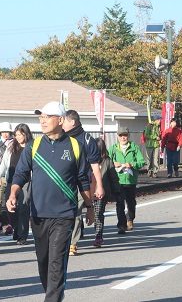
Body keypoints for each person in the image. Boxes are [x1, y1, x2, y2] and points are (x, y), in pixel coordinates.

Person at [7, 101, 93, 302]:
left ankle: (52, 299)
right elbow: (20, 174)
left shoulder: (75, 146)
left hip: (64, 215)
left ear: (60, 120)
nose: (42, 121)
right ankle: (52, 294)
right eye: (41, 117)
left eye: (47, 117)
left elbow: (82, 179)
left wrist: (89, 207)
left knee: (56, 262)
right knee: (44, 261)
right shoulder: (33, 146)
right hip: (38, 215)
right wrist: (12, 194)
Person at [63, 109, 105, 256]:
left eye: (64, 121)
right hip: (63, 182)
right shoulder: (61, 138)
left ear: (73, 122)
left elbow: (95, 166)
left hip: (81, 183)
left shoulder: (87, 140)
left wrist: (99, 186)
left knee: (76, 212)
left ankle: (72, 244)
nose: (61, 123)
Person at [0, 123, 33, 245]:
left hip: (26, 181)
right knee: (9, 207)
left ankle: (22, 235)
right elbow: (4, 163)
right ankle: (16, 228)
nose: (18, 137)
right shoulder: (11, 146)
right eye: (16, 134)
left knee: (23, 207)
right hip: (11, 180)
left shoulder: (31, 147)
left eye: (20, 134)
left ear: (25, 134)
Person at [109, 126, 146, 234]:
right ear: (117, 136)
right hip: (118, 180)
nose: (123, 138)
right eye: (120, 135)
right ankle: (121, 224)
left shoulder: (134, 148)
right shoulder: (113, 149)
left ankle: (130, 219)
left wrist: (132, 164)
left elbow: (141, 161)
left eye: (125, 135)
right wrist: (113, 164)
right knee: (119, 203)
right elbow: (105, 160)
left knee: (131, 202)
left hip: (130, 180)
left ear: (128, 136)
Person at [92, 137, 120, 247]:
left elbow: (114, 178)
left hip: (101, 193)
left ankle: (98, 236)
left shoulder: (107, 161)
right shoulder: (87, 159)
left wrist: (116, 191)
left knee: (98, 214)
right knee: (79, 214)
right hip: (88, 191)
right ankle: (78, 233)